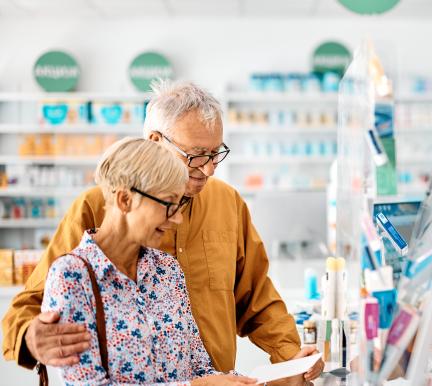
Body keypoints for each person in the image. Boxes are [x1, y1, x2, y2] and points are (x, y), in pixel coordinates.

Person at [3, 81, 323, 384]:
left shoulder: (226, 205)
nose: (210, 168)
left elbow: (257, 297)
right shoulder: (96, 206)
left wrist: (291, 359)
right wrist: (30, 336)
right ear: (156, 141)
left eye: (216, 154)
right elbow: (32, 304)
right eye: (197, 155)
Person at [42, 137, 257, 385]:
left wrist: (269, 378)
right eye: (168, 204)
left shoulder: (168, 270)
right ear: (125, 200)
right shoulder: (71, 277)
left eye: (180, 204)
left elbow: (199, 367)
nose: (177, 219)